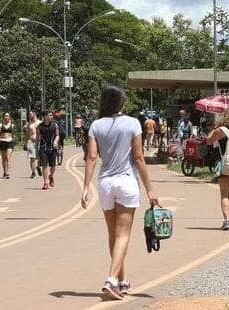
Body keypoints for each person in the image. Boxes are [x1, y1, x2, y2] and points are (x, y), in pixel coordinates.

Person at [82, 86, 159, 300]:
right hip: (126, 182)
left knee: (113, 235)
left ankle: (122, 281)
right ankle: (111, 280)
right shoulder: (133, 123)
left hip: (105, 183)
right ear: (121, 103)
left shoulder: (96, 125)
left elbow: (91, 158)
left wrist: (86, 187)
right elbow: (138, 158)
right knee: (123, 234)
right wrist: (150, 189)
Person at [37, 111, 60, 190]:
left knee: (53, 166)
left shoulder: (55, 125)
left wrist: (55, 141)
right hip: (43, 148)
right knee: (44, 165)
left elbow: (57, 135)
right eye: (50, 115)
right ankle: (45, 182)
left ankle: (51, 176)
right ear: (45, 116)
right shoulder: (39, 126)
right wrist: (37, 151)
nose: (51, 116)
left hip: (53, 148)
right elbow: (38, 139)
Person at [0, 113, 15, 179]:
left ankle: (8, 173)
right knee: (4, 159)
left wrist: (12, 139)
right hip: (3, 142)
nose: (7, 117)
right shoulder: (0, 125)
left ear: (9, 117)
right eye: (5, 116)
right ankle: (5, 171)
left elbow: (13, 135)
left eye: (8, 116)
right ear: (3, 117)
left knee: (7, 157)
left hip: (9, 142)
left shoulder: (12, 125)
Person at [24, 111, 40, 178]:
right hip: (31, 142)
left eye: (30, 114)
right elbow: (27, 134)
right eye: (29, 115)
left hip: (39, 142)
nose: (29, 116)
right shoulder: (29, 124)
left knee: (40, 157)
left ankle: (38, 167)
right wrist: (25, 143)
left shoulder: (40, 123)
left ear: (34, 114)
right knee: (32, 158)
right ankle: (33, 173)